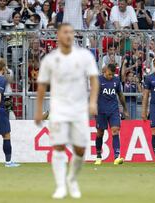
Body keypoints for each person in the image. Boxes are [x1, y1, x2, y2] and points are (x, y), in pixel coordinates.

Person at [35, 23, 99, 199]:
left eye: (71, 32)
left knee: (80, 150)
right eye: (65, 32)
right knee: (59, 146)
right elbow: (41, 86)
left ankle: (72, 178)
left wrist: (92, 102)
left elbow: (94, 80)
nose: (69, 35)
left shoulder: (85, 56)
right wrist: (39, 110)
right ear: (58, 35)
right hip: (59, 109)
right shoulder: (50, 59)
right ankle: (61, 186)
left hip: (79, 110)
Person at [95, 64, 129, 165]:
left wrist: (125, 109)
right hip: (101, 111)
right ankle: (98, 156)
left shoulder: (116, 80)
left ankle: (116, 157)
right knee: (100, 133)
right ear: (105, 71)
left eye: (112, 75)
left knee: (115, 131)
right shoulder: (98, 80)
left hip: (113, 110)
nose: (111, 76)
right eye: (109, 74)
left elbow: (120, 95)